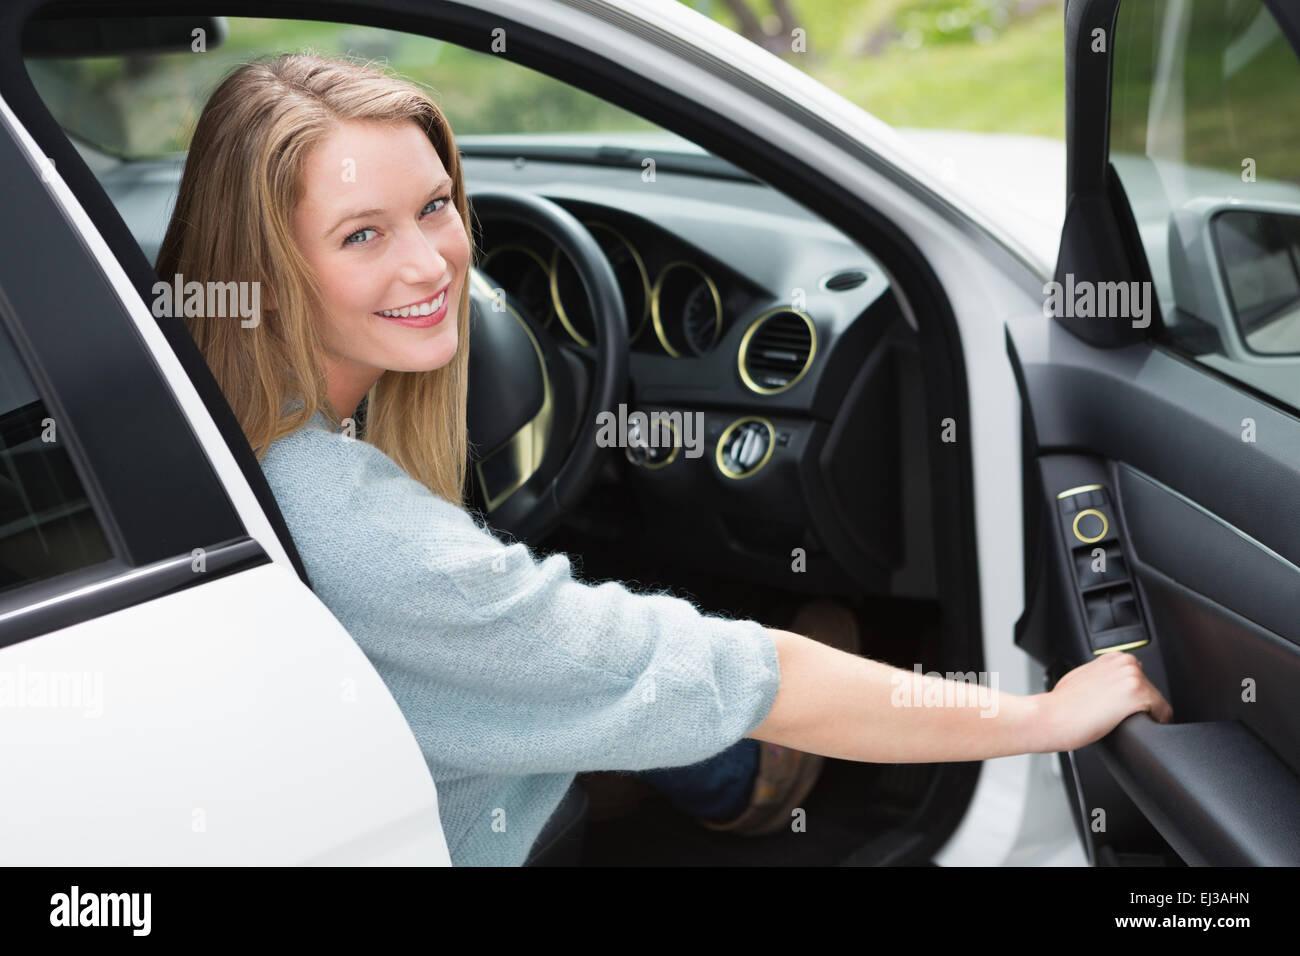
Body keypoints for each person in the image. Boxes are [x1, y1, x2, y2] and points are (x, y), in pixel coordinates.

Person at [157, 52, 1174, 866]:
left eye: (434, 206)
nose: (430, 264)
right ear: (270, 274)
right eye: (361, 235)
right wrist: (1043, 713)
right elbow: (744, 673)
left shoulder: (181, 418)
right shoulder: (371, 536)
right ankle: (745, 784)